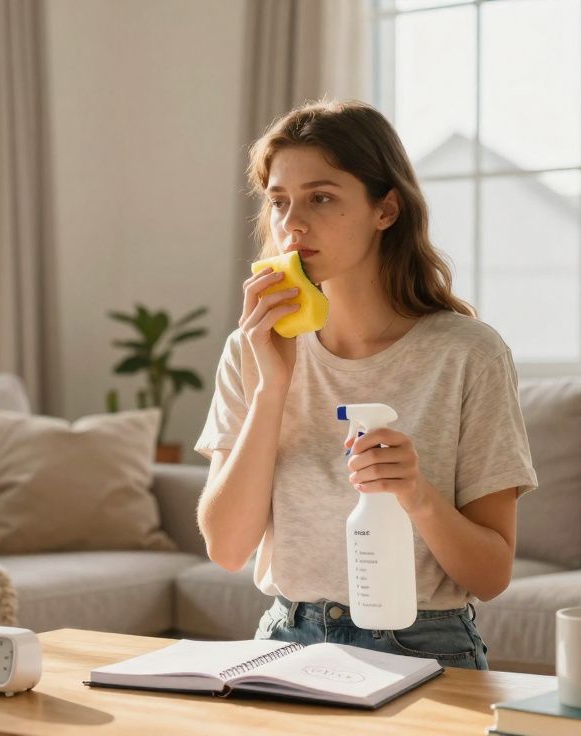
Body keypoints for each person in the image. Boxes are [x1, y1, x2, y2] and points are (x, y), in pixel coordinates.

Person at [193, 99, 538, 670]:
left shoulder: (468, 354)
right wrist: (270, 389)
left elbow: (491, 574)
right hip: (284, 639)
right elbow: (227, 548)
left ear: (386, 208)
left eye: (321, 197)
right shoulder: (251, 351)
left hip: (425, 643)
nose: (292, 224)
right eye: (279, 202)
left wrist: (416, 494)